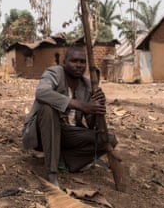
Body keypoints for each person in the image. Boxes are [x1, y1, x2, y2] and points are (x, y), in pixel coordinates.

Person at [21, 46, 117, 187]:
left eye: (82, 62)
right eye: (74, 61)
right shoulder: (55, 73)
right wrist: (80, 105)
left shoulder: (88, 85)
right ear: (64, 62)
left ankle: (64, 161)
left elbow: (91, 124)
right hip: (42, 132)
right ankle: (52, 173)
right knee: (48, 108)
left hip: (67, 133)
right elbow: (41, 93)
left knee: (108, 139)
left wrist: (97, 107)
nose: (79, 65)